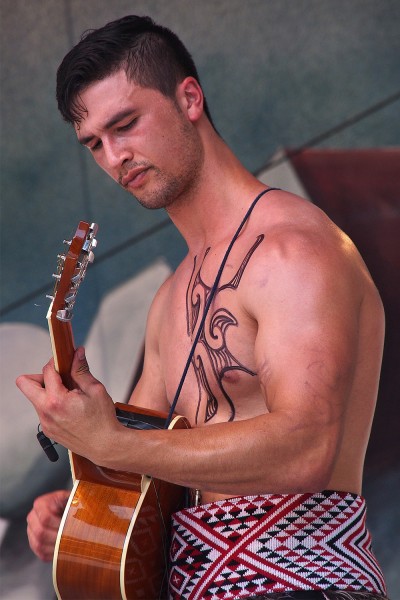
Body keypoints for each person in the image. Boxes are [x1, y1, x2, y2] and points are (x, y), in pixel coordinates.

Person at [16, 15, 387, 600]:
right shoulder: (169, 303)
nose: (115, 157)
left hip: (303, 585)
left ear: (189, 97)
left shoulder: (294, 251)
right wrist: (81, 516)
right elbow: (138, 471)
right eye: (94, 144)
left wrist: (111, 442)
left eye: (126, 124)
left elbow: (306, 448)